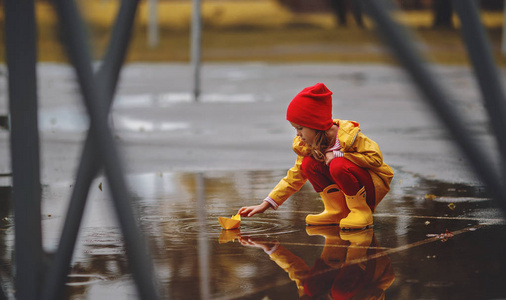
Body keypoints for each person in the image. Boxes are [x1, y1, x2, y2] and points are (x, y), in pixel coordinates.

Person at [238, 83, 393, 229]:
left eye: (300, 128)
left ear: (315, 124)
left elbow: (376, 159)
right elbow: (295, 176)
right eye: (295, 129)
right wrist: (266, 203)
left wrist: (340, 155)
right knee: (308, 164)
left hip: (369, 189)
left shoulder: (348, 136)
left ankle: (361, 212)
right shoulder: (309, 145)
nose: (298, 134)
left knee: (337, 164)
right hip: (348, 189)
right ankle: (337, 212)